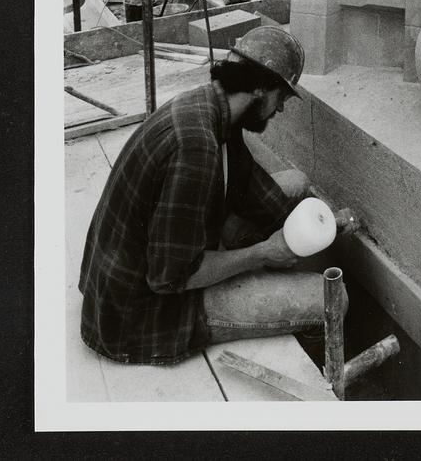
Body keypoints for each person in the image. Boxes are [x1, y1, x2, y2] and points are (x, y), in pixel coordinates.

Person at [79, 26, 344, 365]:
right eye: (282, 98)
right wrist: (263, 253)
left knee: (295, 182)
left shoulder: (215, 108)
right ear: (260, 88)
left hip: (137, 267)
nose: (280, 111)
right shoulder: (196, 148)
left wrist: (326, 223)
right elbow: (171, 277)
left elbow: (252, 190)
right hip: (138, 313)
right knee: (328, 298)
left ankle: (248, 260)